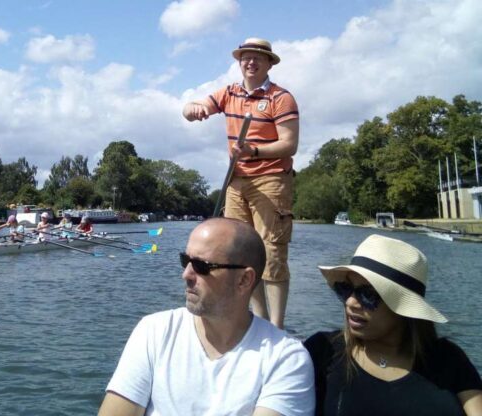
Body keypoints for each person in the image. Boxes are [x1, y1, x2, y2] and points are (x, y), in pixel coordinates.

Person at [99, 218, 314, 416]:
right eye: (185, 260)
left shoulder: (285, 358)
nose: (186, 274)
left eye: (201, 266)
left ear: (244, 280)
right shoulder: (154, 331)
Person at [182, 37, 299, 329]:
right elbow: (193, 107)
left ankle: (277, 326)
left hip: (271, 179)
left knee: (272, 252)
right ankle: (259, 320)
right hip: (237, 180)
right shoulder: (229, 93)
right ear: (239, 62)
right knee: (243, 252)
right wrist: (192, 109)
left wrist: (253, 151)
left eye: (258, 57)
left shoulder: (280, 98)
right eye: (246, 57)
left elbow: (289, 144)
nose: (251, 62)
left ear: (269, 63)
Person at [304, 234, 482, 416]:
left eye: (368, 295)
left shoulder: (449, 359)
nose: (350, 302)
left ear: (404, 308)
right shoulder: (323, 351)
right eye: (346, 289)